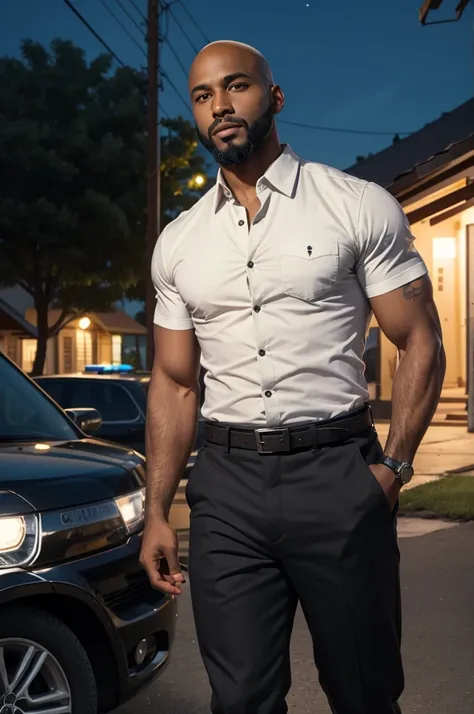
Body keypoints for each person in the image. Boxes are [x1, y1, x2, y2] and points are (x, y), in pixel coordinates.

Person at [140, 40, 446, 714]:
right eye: (201, 96)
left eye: (236, 86)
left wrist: (393, 466)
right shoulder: (181, 242)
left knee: (363, 692)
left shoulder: (356, 206)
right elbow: (174, 383)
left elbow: (419, 338)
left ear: (274, 98)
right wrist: (158, 510)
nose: (219, 106)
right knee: (241, 697)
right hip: (225, 491)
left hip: (337, 474)